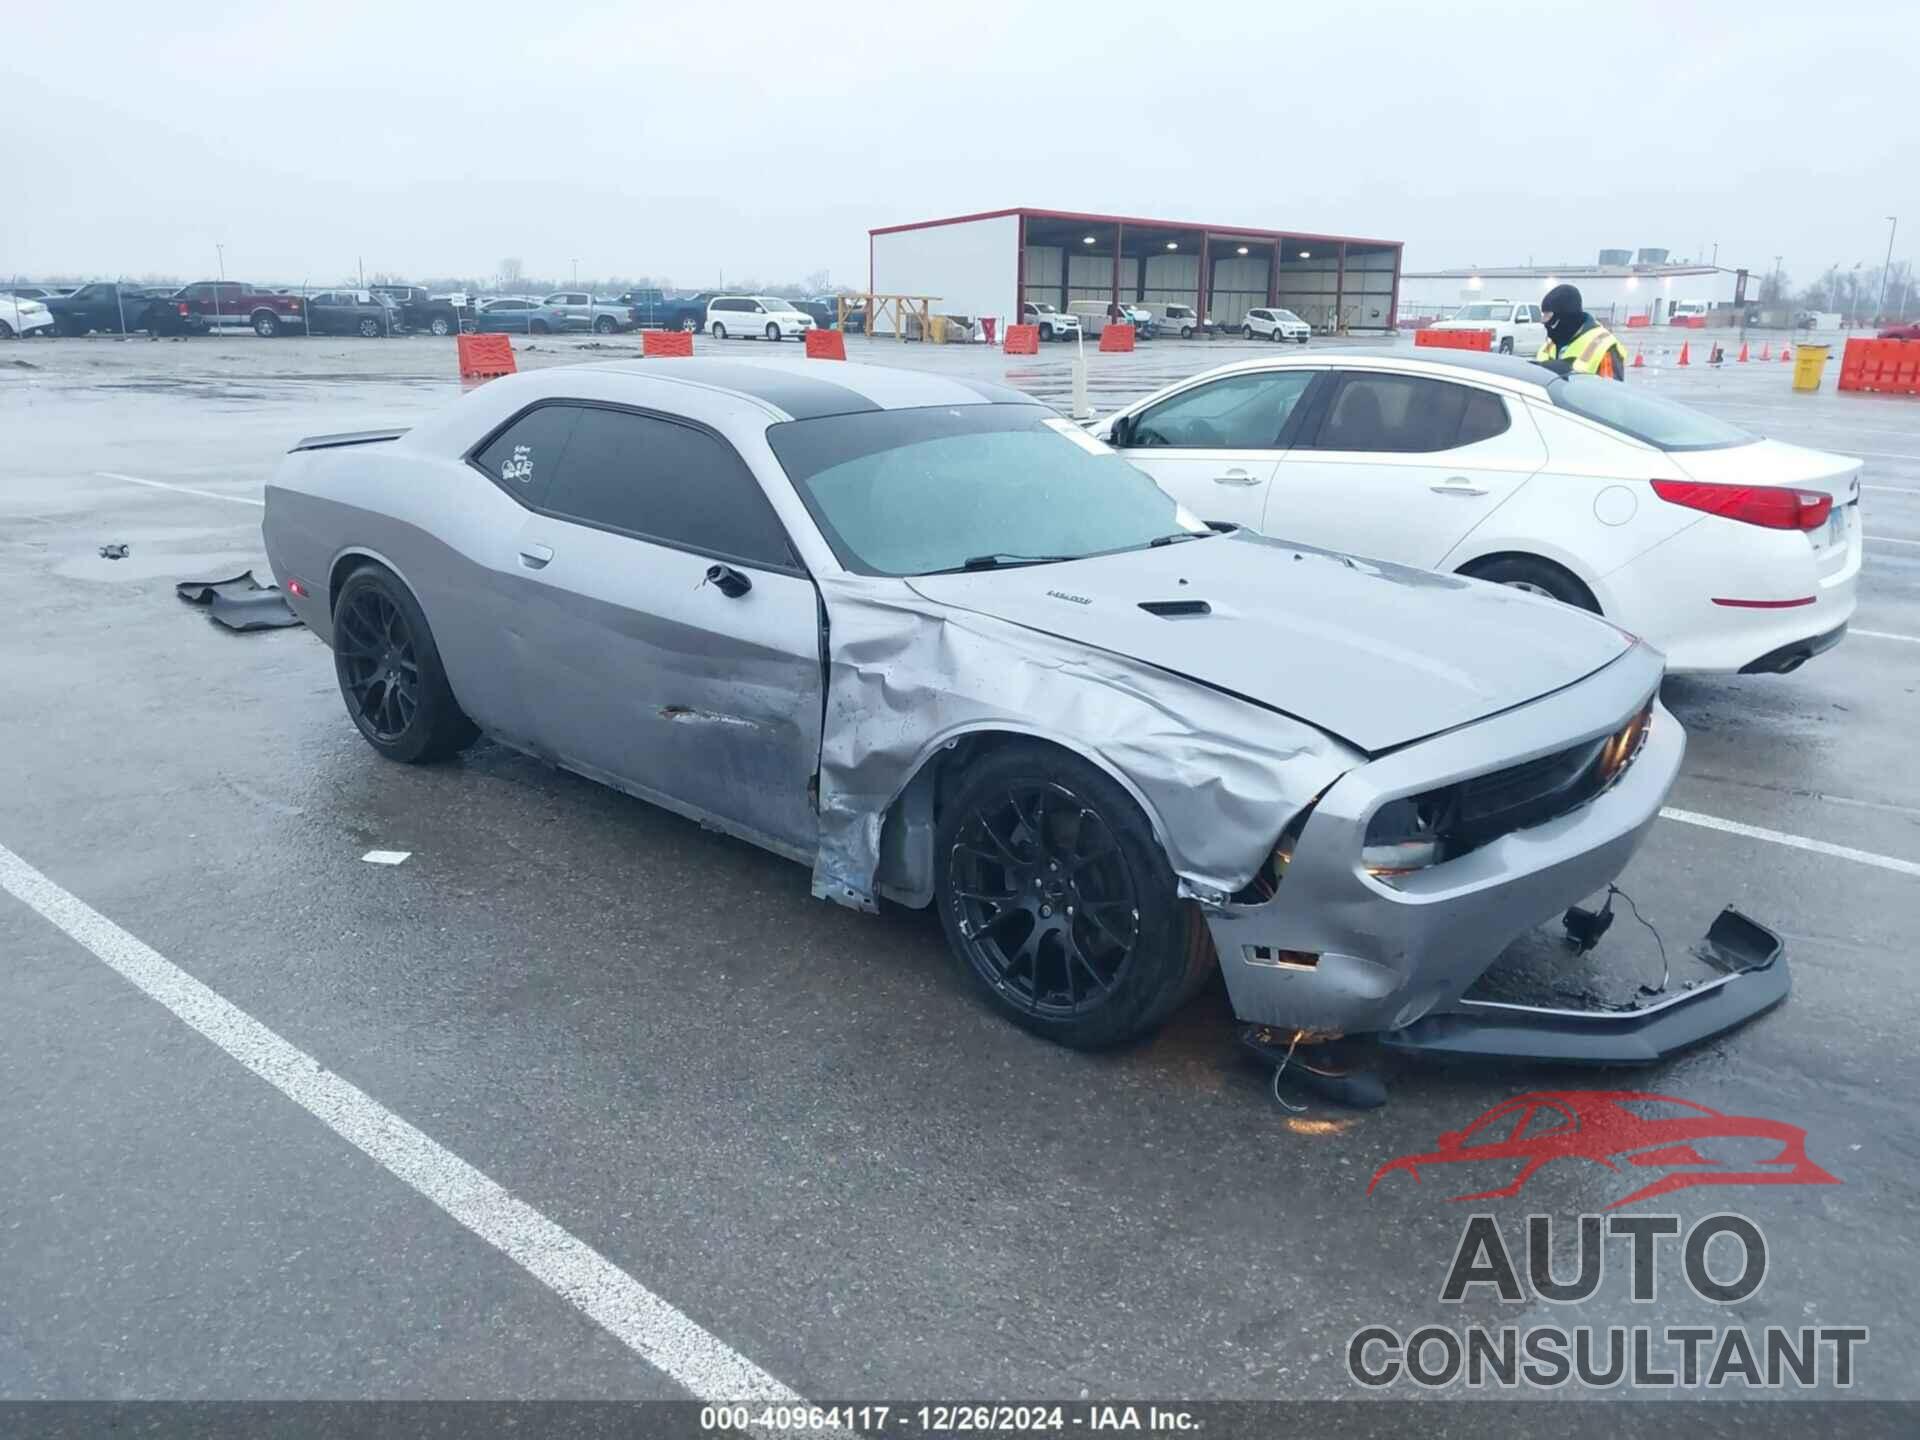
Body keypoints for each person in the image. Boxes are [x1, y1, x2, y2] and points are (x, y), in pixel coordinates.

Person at [1537, 283, 1628, 380]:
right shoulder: (1552, 342)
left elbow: (1610, 391)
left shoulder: (1604, 346)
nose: (1543, 321)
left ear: (1566, 316)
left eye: (1548, 315)